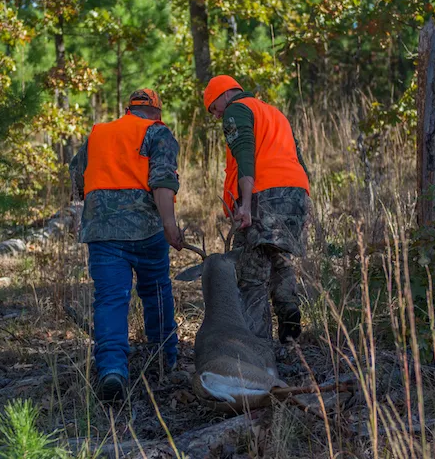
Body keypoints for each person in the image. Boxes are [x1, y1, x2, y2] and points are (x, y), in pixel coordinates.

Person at [70, 89, 183, 402]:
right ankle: (164, 361)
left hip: (102, 231)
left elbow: (77, 176)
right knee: (157, 290)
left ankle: (112, 371)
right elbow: (162, 181)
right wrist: (170, 226)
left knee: (110, 299)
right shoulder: (158, 133)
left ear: (128, 110)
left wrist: (92, 206)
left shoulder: (99, 134)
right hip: (146, 230)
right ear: (156, 113)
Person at [203, 75, 310, 344]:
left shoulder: (236, 110)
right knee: (278, 259)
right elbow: (298, 159)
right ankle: (290, 331)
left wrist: (246, 205)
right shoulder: (273, 113)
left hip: (264, 195)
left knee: (251, 273)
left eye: (214, 109)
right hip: (294, 194)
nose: (217, 117)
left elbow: (245, 157)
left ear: (222, 96)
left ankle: (257, 344)